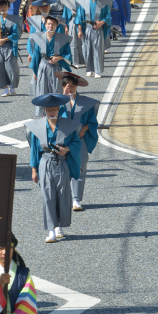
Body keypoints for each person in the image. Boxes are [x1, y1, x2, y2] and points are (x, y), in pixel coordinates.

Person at [26, 93, 81, 242]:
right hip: (45, 163)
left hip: (62, 162)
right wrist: (34, 169)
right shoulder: (37, 126)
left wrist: (67, 149)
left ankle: (59, 227)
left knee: (63, 195)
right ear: (44, 109)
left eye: (55, 109)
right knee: (47, 196)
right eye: (49, 109)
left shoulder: (67, 124)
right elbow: (34, 150)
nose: (52, 112)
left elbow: (77, 143)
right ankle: (51, 229)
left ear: (59, 109)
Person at [57, 72, 99, 211]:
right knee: (62, 169)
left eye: (71, 86)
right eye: (66, 86)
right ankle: (63, 197)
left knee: (80, 168)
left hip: (79, 140)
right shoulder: (57, 102)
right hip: (62, 140)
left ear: (76, 87)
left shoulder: (86, 103)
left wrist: (85, 128)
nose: (69, 89)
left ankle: (76, 199)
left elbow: (93, 122)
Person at [30, 14, 72, 109]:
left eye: (53, 24)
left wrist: (59, 57)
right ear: (45, 25)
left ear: (56, 26)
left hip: (56, 67)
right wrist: (34, 71)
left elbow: (68, 53)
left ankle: (57, 112)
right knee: (43, 91)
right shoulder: (40, 37)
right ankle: (43, 114)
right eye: (48, 24)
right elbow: (36, 56)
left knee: (57, 90)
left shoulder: (61, 38)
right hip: (42, 66)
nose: (50, 26)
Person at [75, 0, 112, 78]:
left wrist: (101, 22)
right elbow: (79, 16)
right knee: (87, 49)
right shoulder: (84, 2)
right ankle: (89, 69)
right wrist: (79, 30)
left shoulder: (102, 2)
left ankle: (98, 70)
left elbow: (107, 16)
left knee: (98, 50)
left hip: (98, 29)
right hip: (87, 29)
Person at [62, 0, 88, 67]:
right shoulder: (69, 0)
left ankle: (85, 60)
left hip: (84, 22)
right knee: (73, 42)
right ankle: (75, 61)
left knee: (84, 42)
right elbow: (65, 14)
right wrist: (66, 26)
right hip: (72, 21)